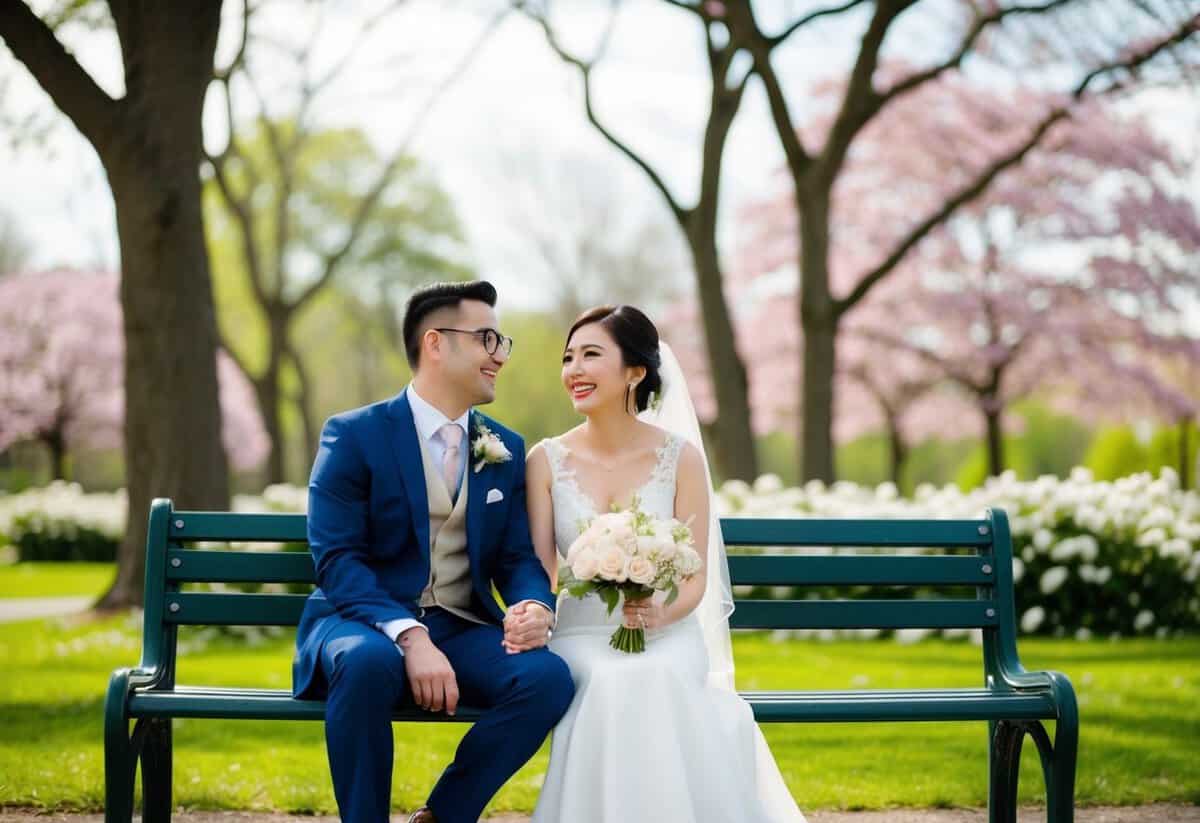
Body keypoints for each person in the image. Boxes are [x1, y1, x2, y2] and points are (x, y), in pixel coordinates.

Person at [292, 280, 574, 823]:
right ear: (435, 343)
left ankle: (444, 815)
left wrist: (536, 605)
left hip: (460, 623)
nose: (499, 355)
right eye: (487, 338)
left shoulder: (504, 447)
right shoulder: (353, 435)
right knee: (370, 662)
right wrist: (409, 633)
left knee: (546, 679)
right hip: (360, 622)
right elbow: (338, 561)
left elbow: (516, 558)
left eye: (502, 341)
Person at [524, 304, 808, 823]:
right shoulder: (545, 460)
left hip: (665, 631)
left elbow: (696, 576)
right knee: (610, 682)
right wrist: (535, 613)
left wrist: (659, 610)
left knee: (655, 675)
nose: (574, 370)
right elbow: (541, 568)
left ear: (635, 371)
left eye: (591, 355)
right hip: (582, 633)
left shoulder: (681, 458)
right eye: (569, 357)